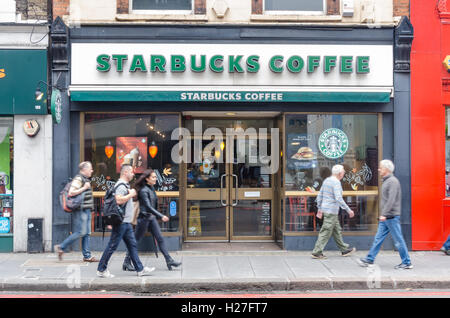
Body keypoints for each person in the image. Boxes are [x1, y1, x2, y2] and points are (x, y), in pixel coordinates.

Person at [97, 164, 155, 278]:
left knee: (132, 245)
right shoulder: (121, 185)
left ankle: (140, 269)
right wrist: (131, 195)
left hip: (125, 221)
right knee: (112, 245)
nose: (133, 174)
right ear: (125, 173)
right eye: (131, 172)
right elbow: (118, 200)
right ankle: (101, 269)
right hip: (121, 222)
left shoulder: (124, 185)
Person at [358, 159, 413, 269]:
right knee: (378, 238)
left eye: (381, 168)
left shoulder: (392, 181)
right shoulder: (387, 181)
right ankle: (370, 259)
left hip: (391, 217)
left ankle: (406, 262)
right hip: (387, 217)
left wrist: (385, 214)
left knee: (398, 240)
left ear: (387, 169)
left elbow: (391, 200)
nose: (379, 169)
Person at [122, 169, 182, 271]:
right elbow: (148, 206)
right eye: (153, 177)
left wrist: (157, 216)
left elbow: (153, 205)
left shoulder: (151, 188)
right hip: (144, 218)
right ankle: (126, 261)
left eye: (155, 177)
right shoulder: (144, 190)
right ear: (147, 179)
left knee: (160, 239)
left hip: (151, 218)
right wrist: (161, 216)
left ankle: (169, 260)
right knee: (135, 241)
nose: (155, 179)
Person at [55, 161, 98, 262]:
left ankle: (87, 256)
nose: (92, 170)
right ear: (85, 170)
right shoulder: (79, 179)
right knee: (80, 232)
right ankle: (61, 247)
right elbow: (71, 192)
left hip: (86, 209)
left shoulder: (84, 179)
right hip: (81, 210)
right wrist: (84, 188)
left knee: (86, 233)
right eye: (90, 168)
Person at [312, 164, 356, 259]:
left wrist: (320, 207)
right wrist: (348, 210)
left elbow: (320, 195)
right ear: (340, 173)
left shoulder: (327, 180)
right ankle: (317, 252)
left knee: (337, 231)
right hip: (331, 211)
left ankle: (344, 250)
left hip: (329, 210)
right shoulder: (336, 182)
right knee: (326, 231)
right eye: (343, 172)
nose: (344, 173)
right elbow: (338, 198)